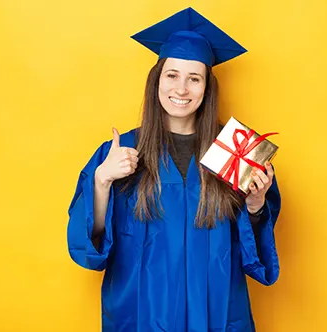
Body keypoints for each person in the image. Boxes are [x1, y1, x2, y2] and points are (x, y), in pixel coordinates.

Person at [67, 7, 281, 332]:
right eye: (172, 75)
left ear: (207, 88)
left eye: (194, 78)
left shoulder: (235, 150)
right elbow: (92, 244)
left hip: (214, 306)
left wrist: (255, 205)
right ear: (157, 81)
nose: (181, 89)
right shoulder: (121, 151)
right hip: (142, 309)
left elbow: (251, 247)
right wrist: (102, 180)